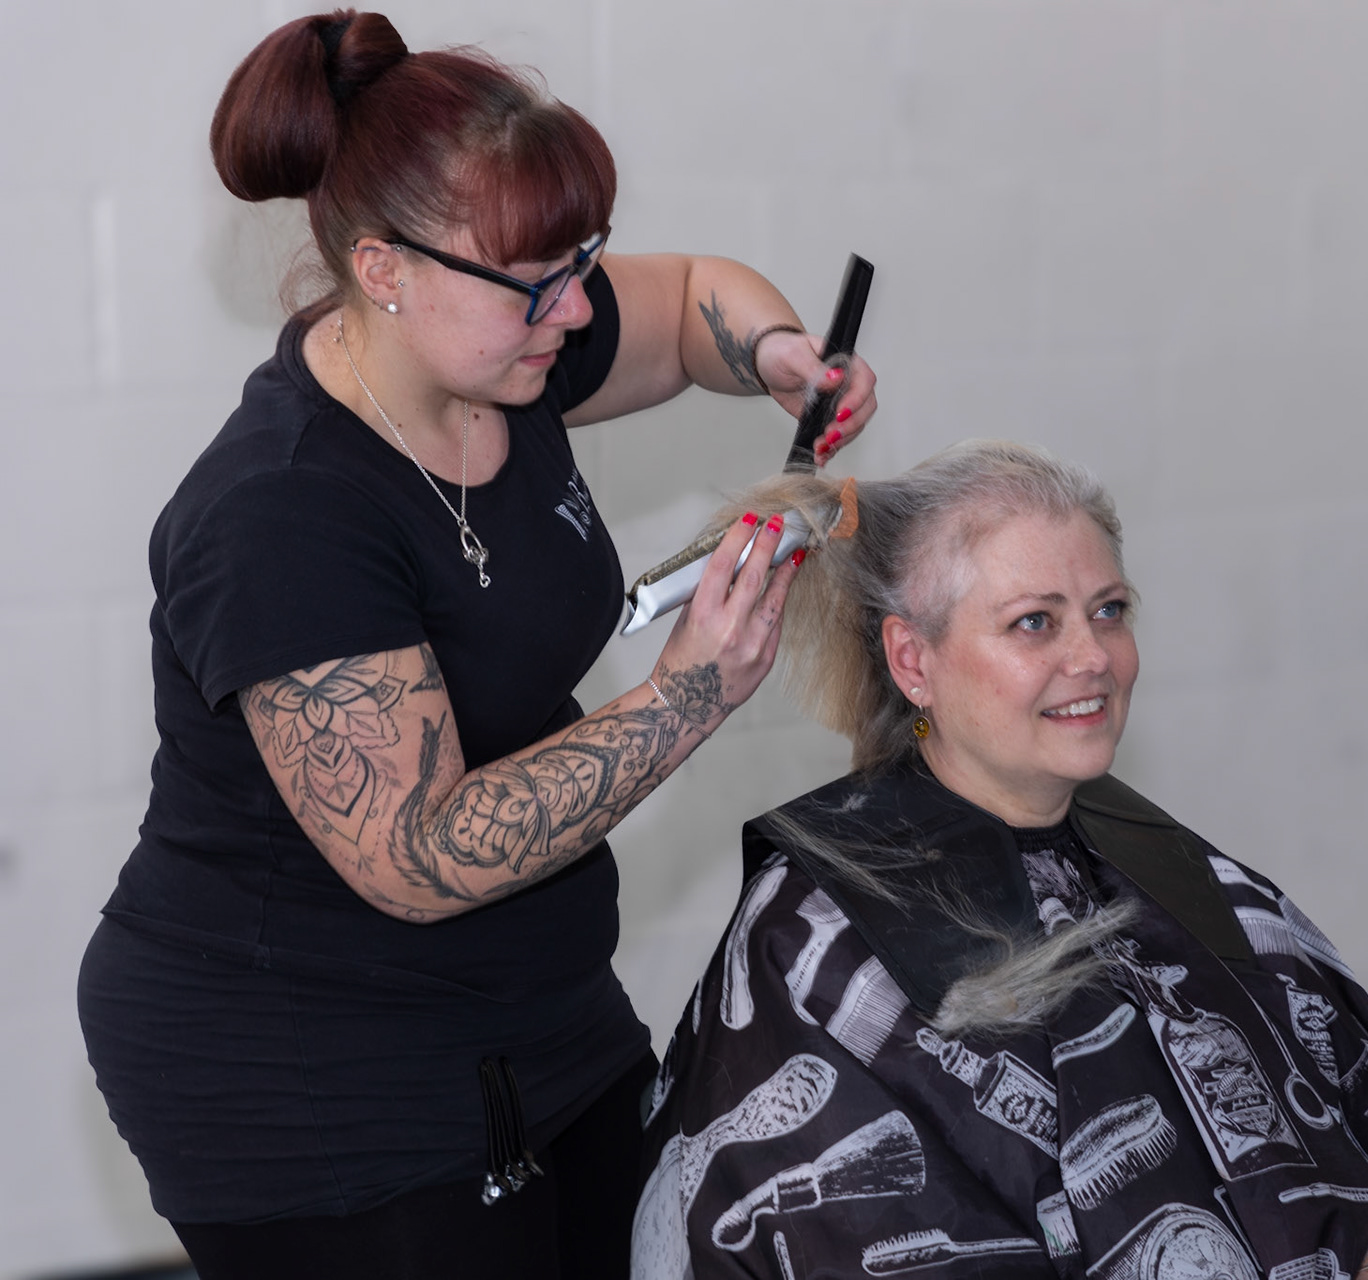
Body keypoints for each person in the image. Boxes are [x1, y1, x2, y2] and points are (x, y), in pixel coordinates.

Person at [74, 10, 875, 1279]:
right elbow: (417, 851)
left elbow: (685, 304)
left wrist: (777, 353)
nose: (575, 305)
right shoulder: (281, 510)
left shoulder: (506, 351)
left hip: (531, 1005)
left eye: (579, 258)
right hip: (306, 1071)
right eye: (538, 279)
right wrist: (687, 695)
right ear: (385, 269)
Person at [631, 442, 1368, 1280]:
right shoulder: (812, 942)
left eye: (1109, 610)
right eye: (1035, 623)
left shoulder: (1184, 876)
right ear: (913, 661)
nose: (1094, 658)